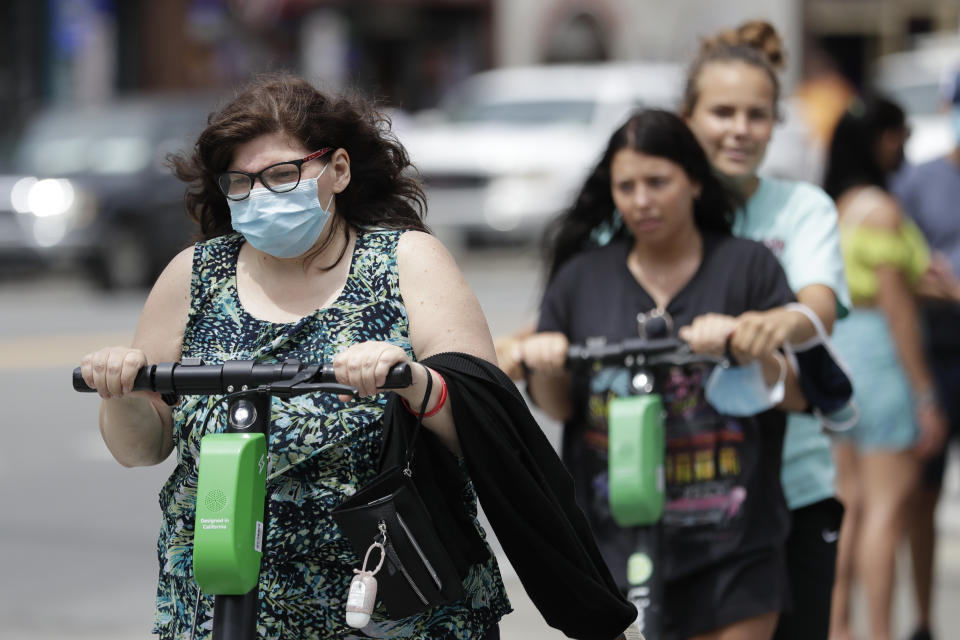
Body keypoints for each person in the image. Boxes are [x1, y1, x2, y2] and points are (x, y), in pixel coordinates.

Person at [77, 73, 637, 640]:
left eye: (281, 175)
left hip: (397, 601)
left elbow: (484, 417)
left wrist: (412, 380)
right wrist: (119, 392)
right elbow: (142, 447)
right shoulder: (194, 276)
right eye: (241, 183)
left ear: (338, 169)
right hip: (222, 606)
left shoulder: (407, 261)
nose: (261, 195)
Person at [521, 108, 806, 640]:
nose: (642, 200)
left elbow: (798, 394)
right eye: (626, 187)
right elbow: (561, 408)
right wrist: (544, 360)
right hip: (611, 547)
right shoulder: (582, 278)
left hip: (735, 549)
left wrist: (752, 347)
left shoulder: (748, 267)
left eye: (658, 182)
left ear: (694, 181)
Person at [679, 21, 851, 640]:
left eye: (758, 114)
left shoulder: (803, 208)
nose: (740, 129)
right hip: (679, 485)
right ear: (687, 116)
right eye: (722, 111)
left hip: (791, 488)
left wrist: (766, 324)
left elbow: (818, 308)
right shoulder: (653, 206)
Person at [822, 94, 948, 640]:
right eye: (898, 134)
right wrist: (925, 394)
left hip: (836, 355)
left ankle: (839, 626)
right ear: (880, 138)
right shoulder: (882, 208)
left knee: (849, 504)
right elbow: (897, 309)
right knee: (886, 510)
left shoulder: (833, 205)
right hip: (879, 358)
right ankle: (879, 631)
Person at [892, 70, 960, 640]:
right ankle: (921, 619)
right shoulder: (918, 182)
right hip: (937, 350)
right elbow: (890, 274)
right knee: (921, 493)